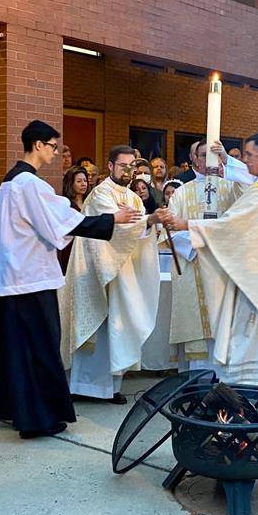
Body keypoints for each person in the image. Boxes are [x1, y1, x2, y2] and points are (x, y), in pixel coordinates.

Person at [0, 123, 138, 436]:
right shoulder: (29, 184)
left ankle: (15, 409)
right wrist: (112, 219)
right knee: (40, 351)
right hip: (31, 280)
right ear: (39, 145)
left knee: (15, 351)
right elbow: (63, 222)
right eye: (53, 146)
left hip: (9, 279)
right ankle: (38, 419)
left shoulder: (8, 182)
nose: (55, 153)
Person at [166, 133, 258, 390]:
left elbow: (232, 226)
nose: (244, 161)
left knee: (248, 346)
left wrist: (185, 224)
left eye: (249, 155)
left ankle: (247, 399)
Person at [61, 146, 164, 404]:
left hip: (123, 273)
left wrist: (147, 225)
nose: (128, 172)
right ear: (110, 166)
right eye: (123, 166)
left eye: (132, 167)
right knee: (99, 327)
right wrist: (147, 222)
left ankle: (112, 387)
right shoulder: (100, 194)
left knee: (118, 329)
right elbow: (113, 230)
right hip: (96, 272)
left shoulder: (134, 198)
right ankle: (85, 386)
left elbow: (136, 233)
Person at [165, 141, 244, 367]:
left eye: (213, 155)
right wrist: (200, 243)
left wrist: (228, 160)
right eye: (202, 155)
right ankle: (194, 384)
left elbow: (250, 190)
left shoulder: (232, 188)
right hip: (193, 264)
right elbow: (169, 231)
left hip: (223, 268)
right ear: (193, 160)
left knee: (223, 324)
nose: (208, 159)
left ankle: (224, 382)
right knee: (196, 326)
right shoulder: (180, 193)